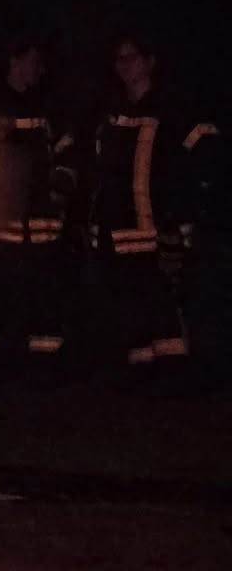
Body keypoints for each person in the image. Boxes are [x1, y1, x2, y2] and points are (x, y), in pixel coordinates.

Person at [89, 35, 219, 375]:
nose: (124, 65)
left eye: (131, 57)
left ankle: (177, 372)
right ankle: (141, 372)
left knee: (165, 298)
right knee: (131, 300)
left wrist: (192, 203)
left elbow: (209, 154)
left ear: (150, 62)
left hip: (162, 224)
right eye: (119, 59)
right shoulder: (112, 116)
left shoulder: (172, 108)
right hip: (121, 228)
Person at [0, 40, 77, 365]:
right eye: (32, 61)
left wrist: (60, 191)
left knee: (43, 295)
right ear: (15, 60)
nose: (37, 70)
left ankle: (44, 364)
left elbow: (67, 157)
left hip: (43, 224)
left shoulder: (50, 108)